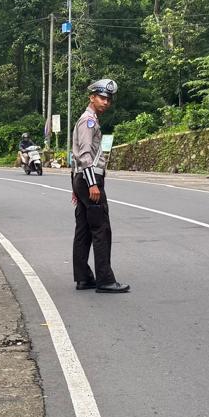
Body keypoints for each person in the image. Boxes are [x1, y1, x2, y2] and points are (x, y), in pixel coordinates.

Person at [71, 78, 129, 294]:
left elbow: (76, 158)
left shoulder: (88, 119)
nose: (106, 102)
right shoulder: (88, 121)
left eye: (108, 99)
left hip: (82, 180)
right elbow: (84, 155)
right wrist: (92, 184)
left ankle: (84, 278)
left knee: (84, 230)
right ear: (92, 97)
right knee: (101, 229)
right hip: (90, 180)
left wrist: (77, 186)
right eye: (102, 98)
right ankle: (105, 280)